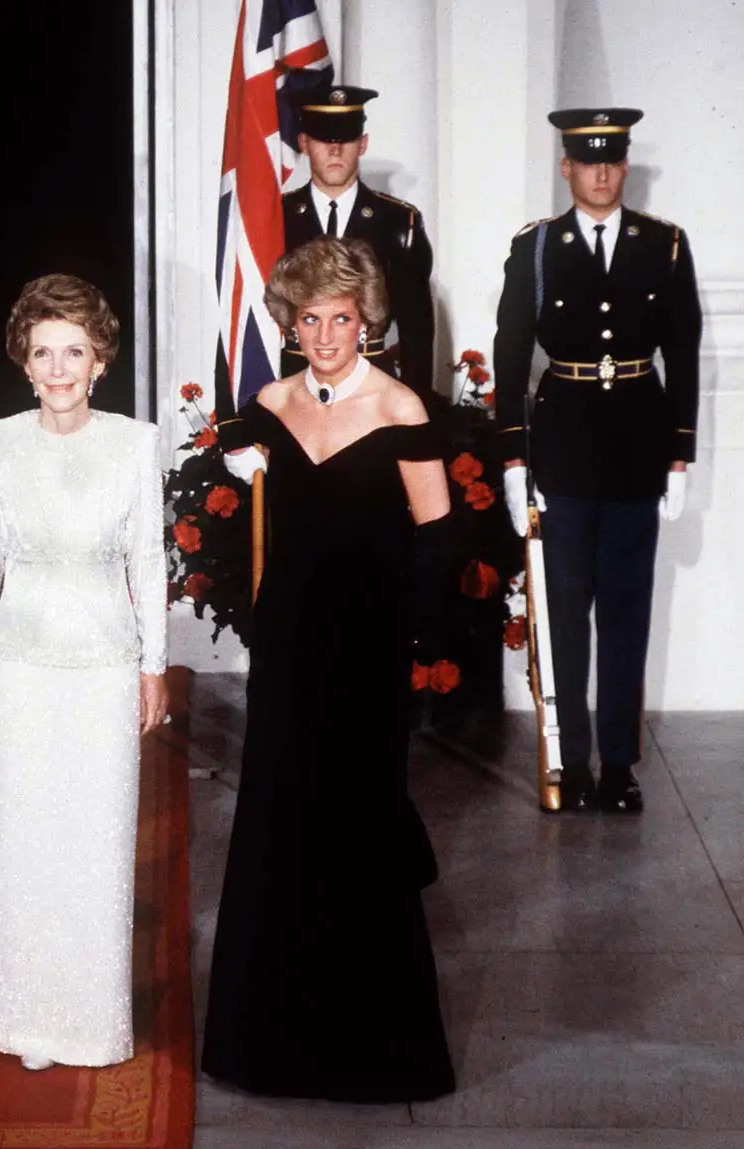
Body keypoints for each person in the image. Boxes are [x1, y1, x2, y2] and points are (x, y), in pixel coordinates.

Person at [202, 237, 456, 1102]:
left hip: (368, 648)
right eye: (306, 318)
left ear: (366, 321)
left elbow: (437, 534)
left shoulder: (400, 408)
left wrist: (412, 641)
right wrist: (238, 444)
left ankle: (376, 1054)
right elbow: (237, 437)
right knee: (279, 819)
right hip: (288, 645)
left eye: (338, 318)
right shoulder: (272, 400)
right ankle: (265, 1046)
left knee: (359, 820)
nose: (322, 334)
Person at [0, 274, 168, 1071]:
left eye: (73, 351)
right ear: (23, 360)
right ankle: (25, 1021)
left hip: (105, 665)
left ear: (100, 359)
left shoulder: (135, 442)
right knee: (25, 842)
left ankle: (89, 1020)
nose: (58, 368)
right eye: (43, 352)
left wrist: (154, 666)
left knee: (96, 842)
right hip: (23, 663)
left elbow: (147, 559)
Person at [495, 108, 700, 816]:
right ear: (567, 168)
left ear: (624, 164)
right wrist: (515, 457)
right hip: (563, 449)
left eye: (612, 158)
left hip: (637, 448)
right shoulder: (538, 247)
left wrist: (680, 456)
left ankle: (617, 764)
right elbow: (511, 353)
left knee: (625, 612)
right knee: (564, 611)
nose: (602, 171)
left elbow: (685, 353)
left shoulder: (664, 246)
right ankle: (570, 759)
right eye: (588, 160)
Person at [279, 82, 435, 399]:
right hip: (295, 386)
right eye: (323, 138)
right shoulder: (276, 218)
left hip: (371, 387)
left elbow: (416, 331)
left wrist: (416, 422)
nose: (335, 150)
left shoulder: (398, 221)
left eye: (346, 138)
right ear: (304, 143)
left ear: (362, 144)